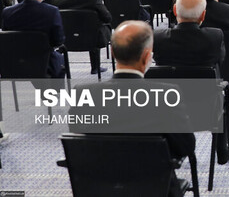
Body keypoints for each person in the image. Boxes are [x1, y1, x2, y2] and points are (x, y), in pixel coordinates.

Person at [70, 20, 197, 195]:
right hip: (155, 187)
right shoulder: (166, 95)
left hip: (101, 187)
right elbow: (186, 146)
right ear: (146, 56)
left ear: (113, 53)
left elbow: (80, 141)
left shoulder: (83, 94)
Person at [1, 0, 65, 77]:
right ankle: (52, 91)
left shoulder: (8, 12)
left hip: (15, 62)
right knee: (59, 60)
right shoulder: (51, 11)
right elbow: (58, 40)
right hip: (44, 62)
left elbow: (6, 37)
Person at [52, 0, 111, 74]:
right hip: (92, 39)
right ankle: (95, 67)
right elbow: (107, 18)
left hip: (66, 40)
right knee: (96, 27)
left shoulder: (57, 0)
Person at [153, 0, 225, 68]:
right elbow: (221, 63)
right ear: (203, 15)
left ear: (175, 10)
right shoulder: (215, 37)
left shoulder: (158, 37)